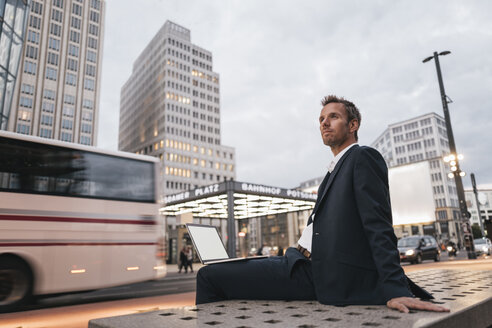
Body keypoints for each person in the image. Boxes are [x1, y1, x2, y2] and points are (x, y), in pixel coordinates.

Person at [196, 95, 449, 314]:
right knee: (221, 268)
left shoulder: (362, 157)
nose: (324, 123)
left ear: (353, 125)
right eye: (321, 119)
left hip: (317, 273)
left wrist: (395, 288)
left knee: (209, 276)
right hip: (296, 260)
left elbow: (378, 224)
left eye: (333, 117)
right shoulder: (334, 169)